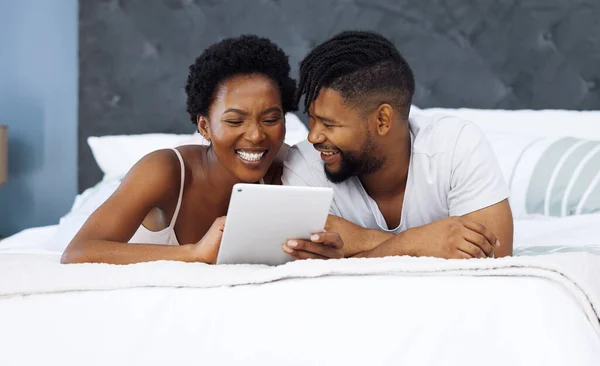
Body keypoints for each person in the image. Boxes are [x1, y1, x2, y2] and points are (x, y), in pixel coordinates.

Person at [62, 35, 343, 265]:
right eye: (234, 121)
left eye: (271, 120)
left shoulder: (289, 167)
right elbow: (77, 253)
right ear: (204, 127)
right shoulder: (164, 170)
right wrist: (193, 254)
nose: (257, 135)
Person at [281, 30, 514, 260]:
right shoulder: (304, 167)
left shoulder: (455, 146)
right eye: (311, 119)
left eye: (328, 124)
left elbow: (493, 262)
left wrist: (359, 244)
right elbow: (310, 275)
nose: (313, 137)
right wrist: (416, 242)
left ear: (382, 120)